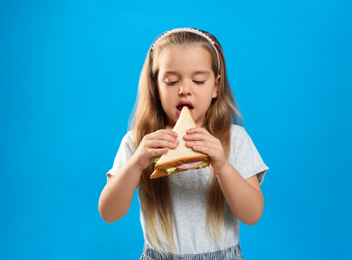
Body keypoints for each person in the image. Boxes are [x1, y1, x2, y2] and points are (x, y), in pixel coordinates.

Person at [98, 28, 268, 260]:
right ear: (155, 86)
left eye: (198, 80)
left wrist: (222, 166)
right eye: (171, 81)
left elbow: (252, 215)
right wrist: (137, 163)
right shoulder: (139, 143)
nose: (184, 89)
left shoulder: (234, 139)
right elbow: (109, 213)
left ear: (216, 86)